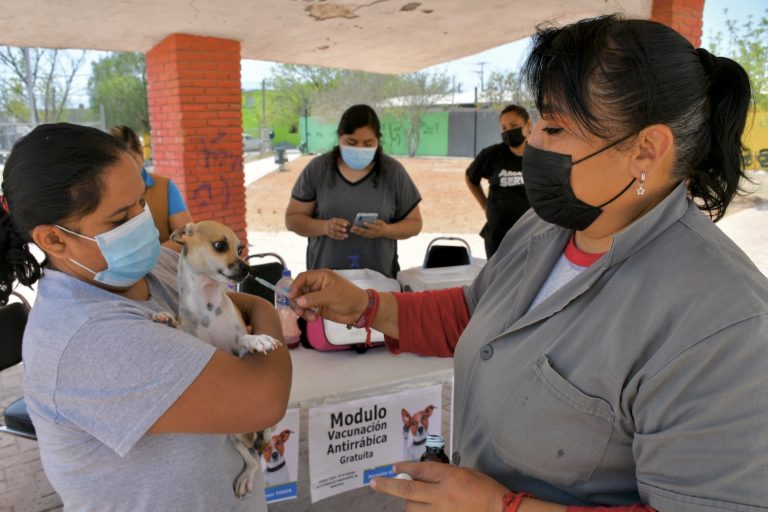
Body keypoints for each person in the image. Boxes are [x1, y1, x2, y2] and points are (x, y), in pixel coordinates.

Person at [287, 15, 768, 512]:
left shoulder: (723, 322)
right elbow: (477, 317)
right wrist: (365, 308)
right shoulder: (545, 229)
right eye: (537, 122)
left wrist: (503, 508)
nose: (533, 143)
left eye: (555, 127)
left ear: (646, 150)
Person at [0, 123, 291, 511]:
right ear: (54, 239)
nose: (146, 225)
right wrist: (266, 309)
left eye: (141, 202)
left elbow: (227, 306)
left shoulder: (158, 266)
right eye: (121, 219)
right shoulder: (86, 337)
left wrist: (250, 312)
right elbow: (263, 399)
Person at [285, 104, 422, 278]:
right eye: (351, 142)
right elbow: (293, 219)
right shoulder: (318, 169)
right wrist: (325, 227)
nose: (359, 149)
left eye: (368, 143)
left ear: (377, 141)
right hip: (324, 281)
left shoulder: (393, 172)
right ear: (340, 138)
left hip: (380, 283)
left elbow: (415, 223)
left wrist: (386, 230)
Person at [466, 104, 532, 258]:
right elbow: (471, 178)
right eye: (504, 127)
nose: (509, 131)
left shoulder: (540, 155)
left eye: (514, 125)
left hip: (532, 235)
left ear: (528, 124)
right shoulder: (492, 154)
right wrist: (485, 205)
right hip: (498, 237)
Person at [108, 124, 193, 244]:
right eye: (116, 164)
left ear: (141, 155)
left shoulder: (164, 187)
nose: (126, 170)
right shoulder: (103, 194)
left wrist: (155, 257)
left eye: (133, 160)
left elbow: (187, 235)